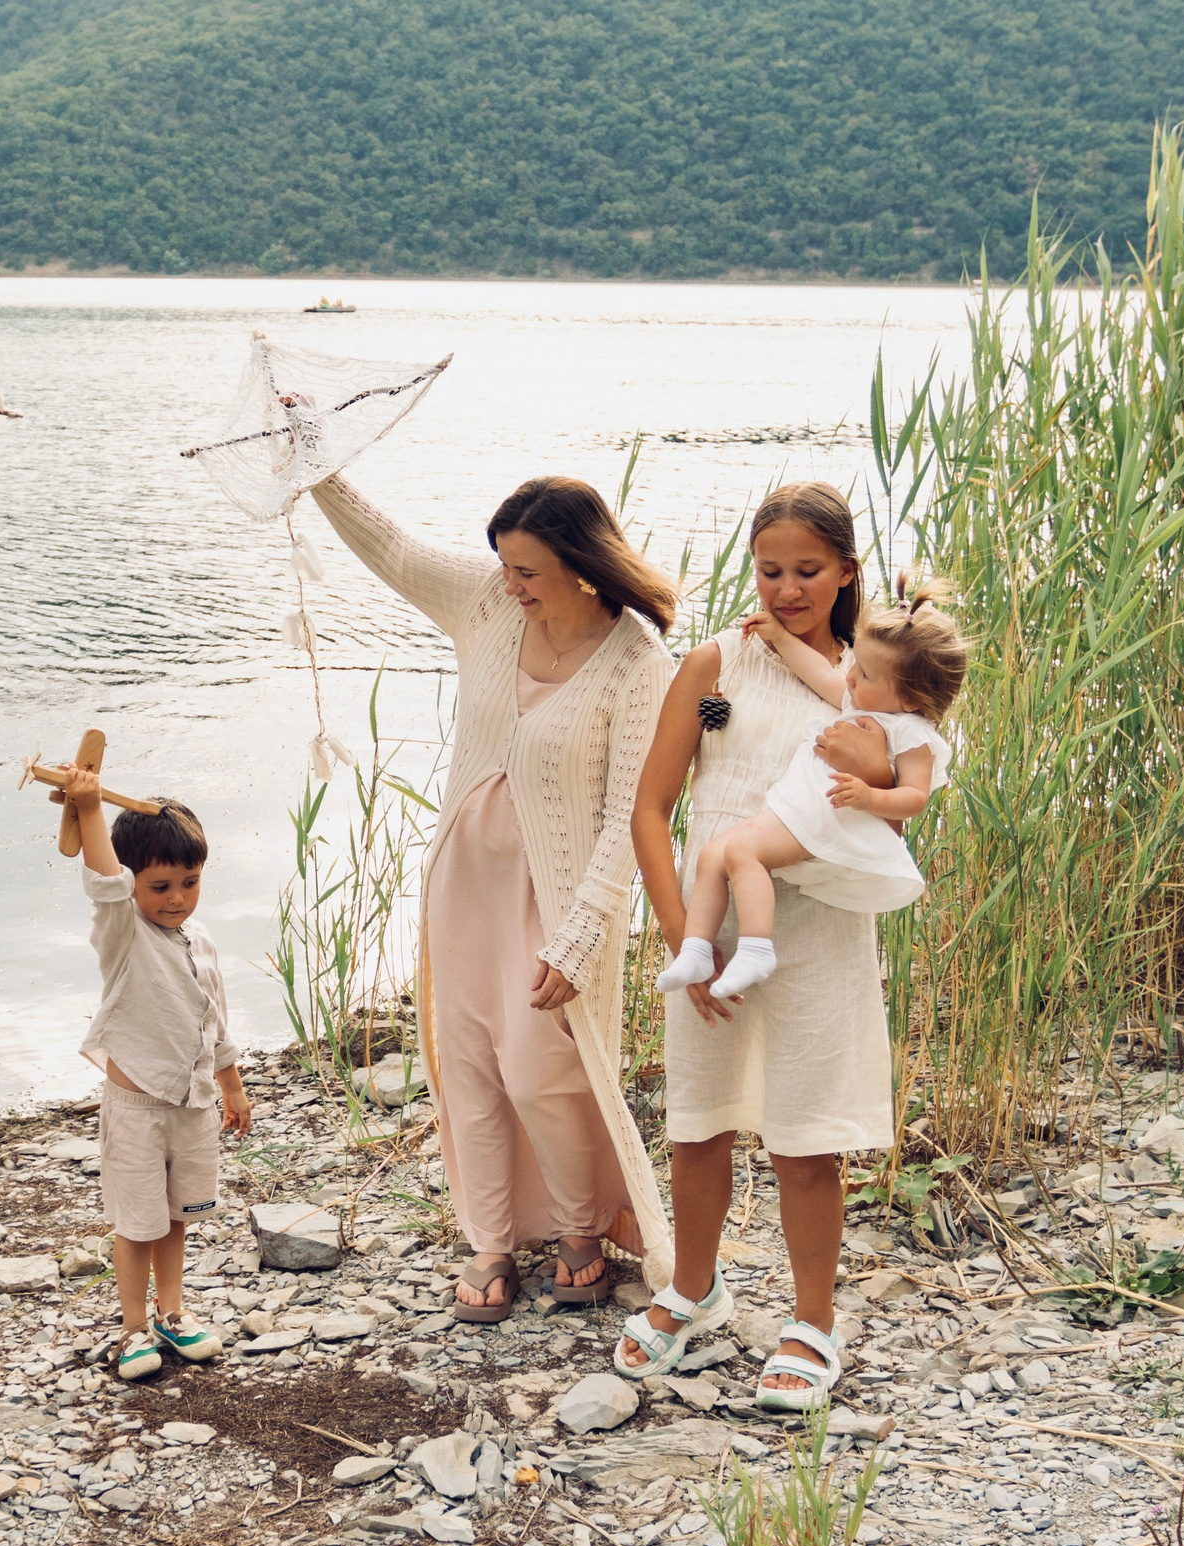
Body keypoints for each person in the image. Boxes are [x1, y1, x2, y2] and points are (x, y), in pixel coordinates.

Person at [308, 473, 675, 1321]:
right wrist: (318, 465)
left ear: (584, 567)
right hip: (464, 881)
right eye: (505, 566)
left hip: (562, 901)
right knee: (469, 1060)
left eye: (528, 571)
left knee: (546, 1070)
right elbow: (392, 549)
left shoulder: (637, 665)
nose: (511, 584)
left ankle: (584, 1229)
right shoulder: (487, 605)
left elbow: (632, 817)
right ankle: (492, 1239)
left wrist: (583, 935)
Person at [622, 482, 903, 1403]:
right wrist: (681, 937)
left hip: (816, 931)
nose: (785, 589)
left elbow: (902, 785)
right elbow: (651, 809)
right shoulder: (715, 664)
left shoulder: (871, 680)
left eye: (808, 571)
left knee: (802, 1133)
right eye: (771, 570)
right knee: (698, 1119)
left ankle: (813, 1320)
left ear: (847, 572)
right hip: (712, 929)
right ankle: (693, 1289)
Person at [653, 591, 967, 999]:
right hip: (798, 807)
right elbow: (819, 672)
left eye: (866, 674)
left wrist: (870, 796)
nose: (851, 677)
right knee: (713, 855)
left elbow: (915, 796)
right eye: (855, 666)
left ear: (908, 698)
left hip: (830, 816)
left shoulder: (911, 734)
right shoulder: (859, 702)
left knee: (742, 853)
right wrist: (781, 639)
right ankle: (695, 948)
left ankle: (756, 947)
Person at [52, 768, 253, 1380]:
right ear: (137, 883)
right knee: (137, 1222)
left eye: (189, 883)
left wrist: (232, 1085)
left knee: (177, 1217)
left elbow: (213, 1017)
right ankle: (133, 1329)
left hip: (191, 1107)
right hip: (138, 1110)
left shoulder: (200, 940)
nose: (176, 898)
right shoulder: (125, 934)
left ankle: (173, 1312)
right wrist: (87, 808)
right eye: (160, 885)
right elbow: (106, 883)